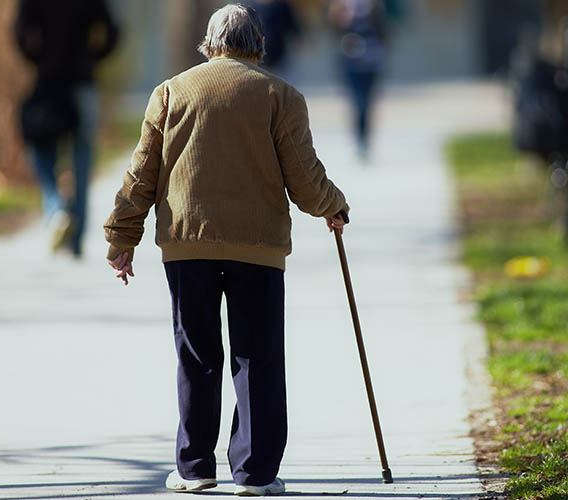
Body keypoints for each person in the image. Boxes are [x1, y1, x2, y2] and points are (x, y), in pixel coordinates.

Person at [103, 4, 349, 496]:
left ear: (209, 43)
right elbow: (304, 176)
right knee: (257, 354)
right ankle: (255, 474)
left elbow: (141, 175)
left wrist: (121, 236)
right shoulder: (280, 95)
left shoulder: (170, 93)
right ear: (258, 45)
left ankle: (195, 468)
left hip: (186, 244)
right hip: (257, 245)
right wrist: (333, 205)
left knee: (196, 353)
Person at [14, 0, 118, 257]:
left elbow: (18, 31)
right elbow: (113, 32)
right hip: (82, 86)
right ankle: (76, 241)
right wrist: (92, 59)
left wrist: (37, 58)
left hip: (48, 84)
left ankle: (56, 208)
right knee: (81, 162)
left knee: (40, 151)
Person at [328, 0, 387, 158]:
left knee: (367, 102)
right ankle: (359, 139)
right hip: (351, 62)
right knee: (357, 101)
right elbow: (334, 31)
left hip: (372, 61)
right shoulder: (341, 6)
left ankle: (366, 138)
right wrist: (340, 17)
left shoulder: (374, 6)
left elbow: (384, 30)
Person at [247, 0, 300, 74]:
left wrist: (299, 40)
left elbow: (291, 27)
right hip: (255, 59)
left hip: (279, 58)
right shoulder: (248, 6)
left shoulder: (281, 5)